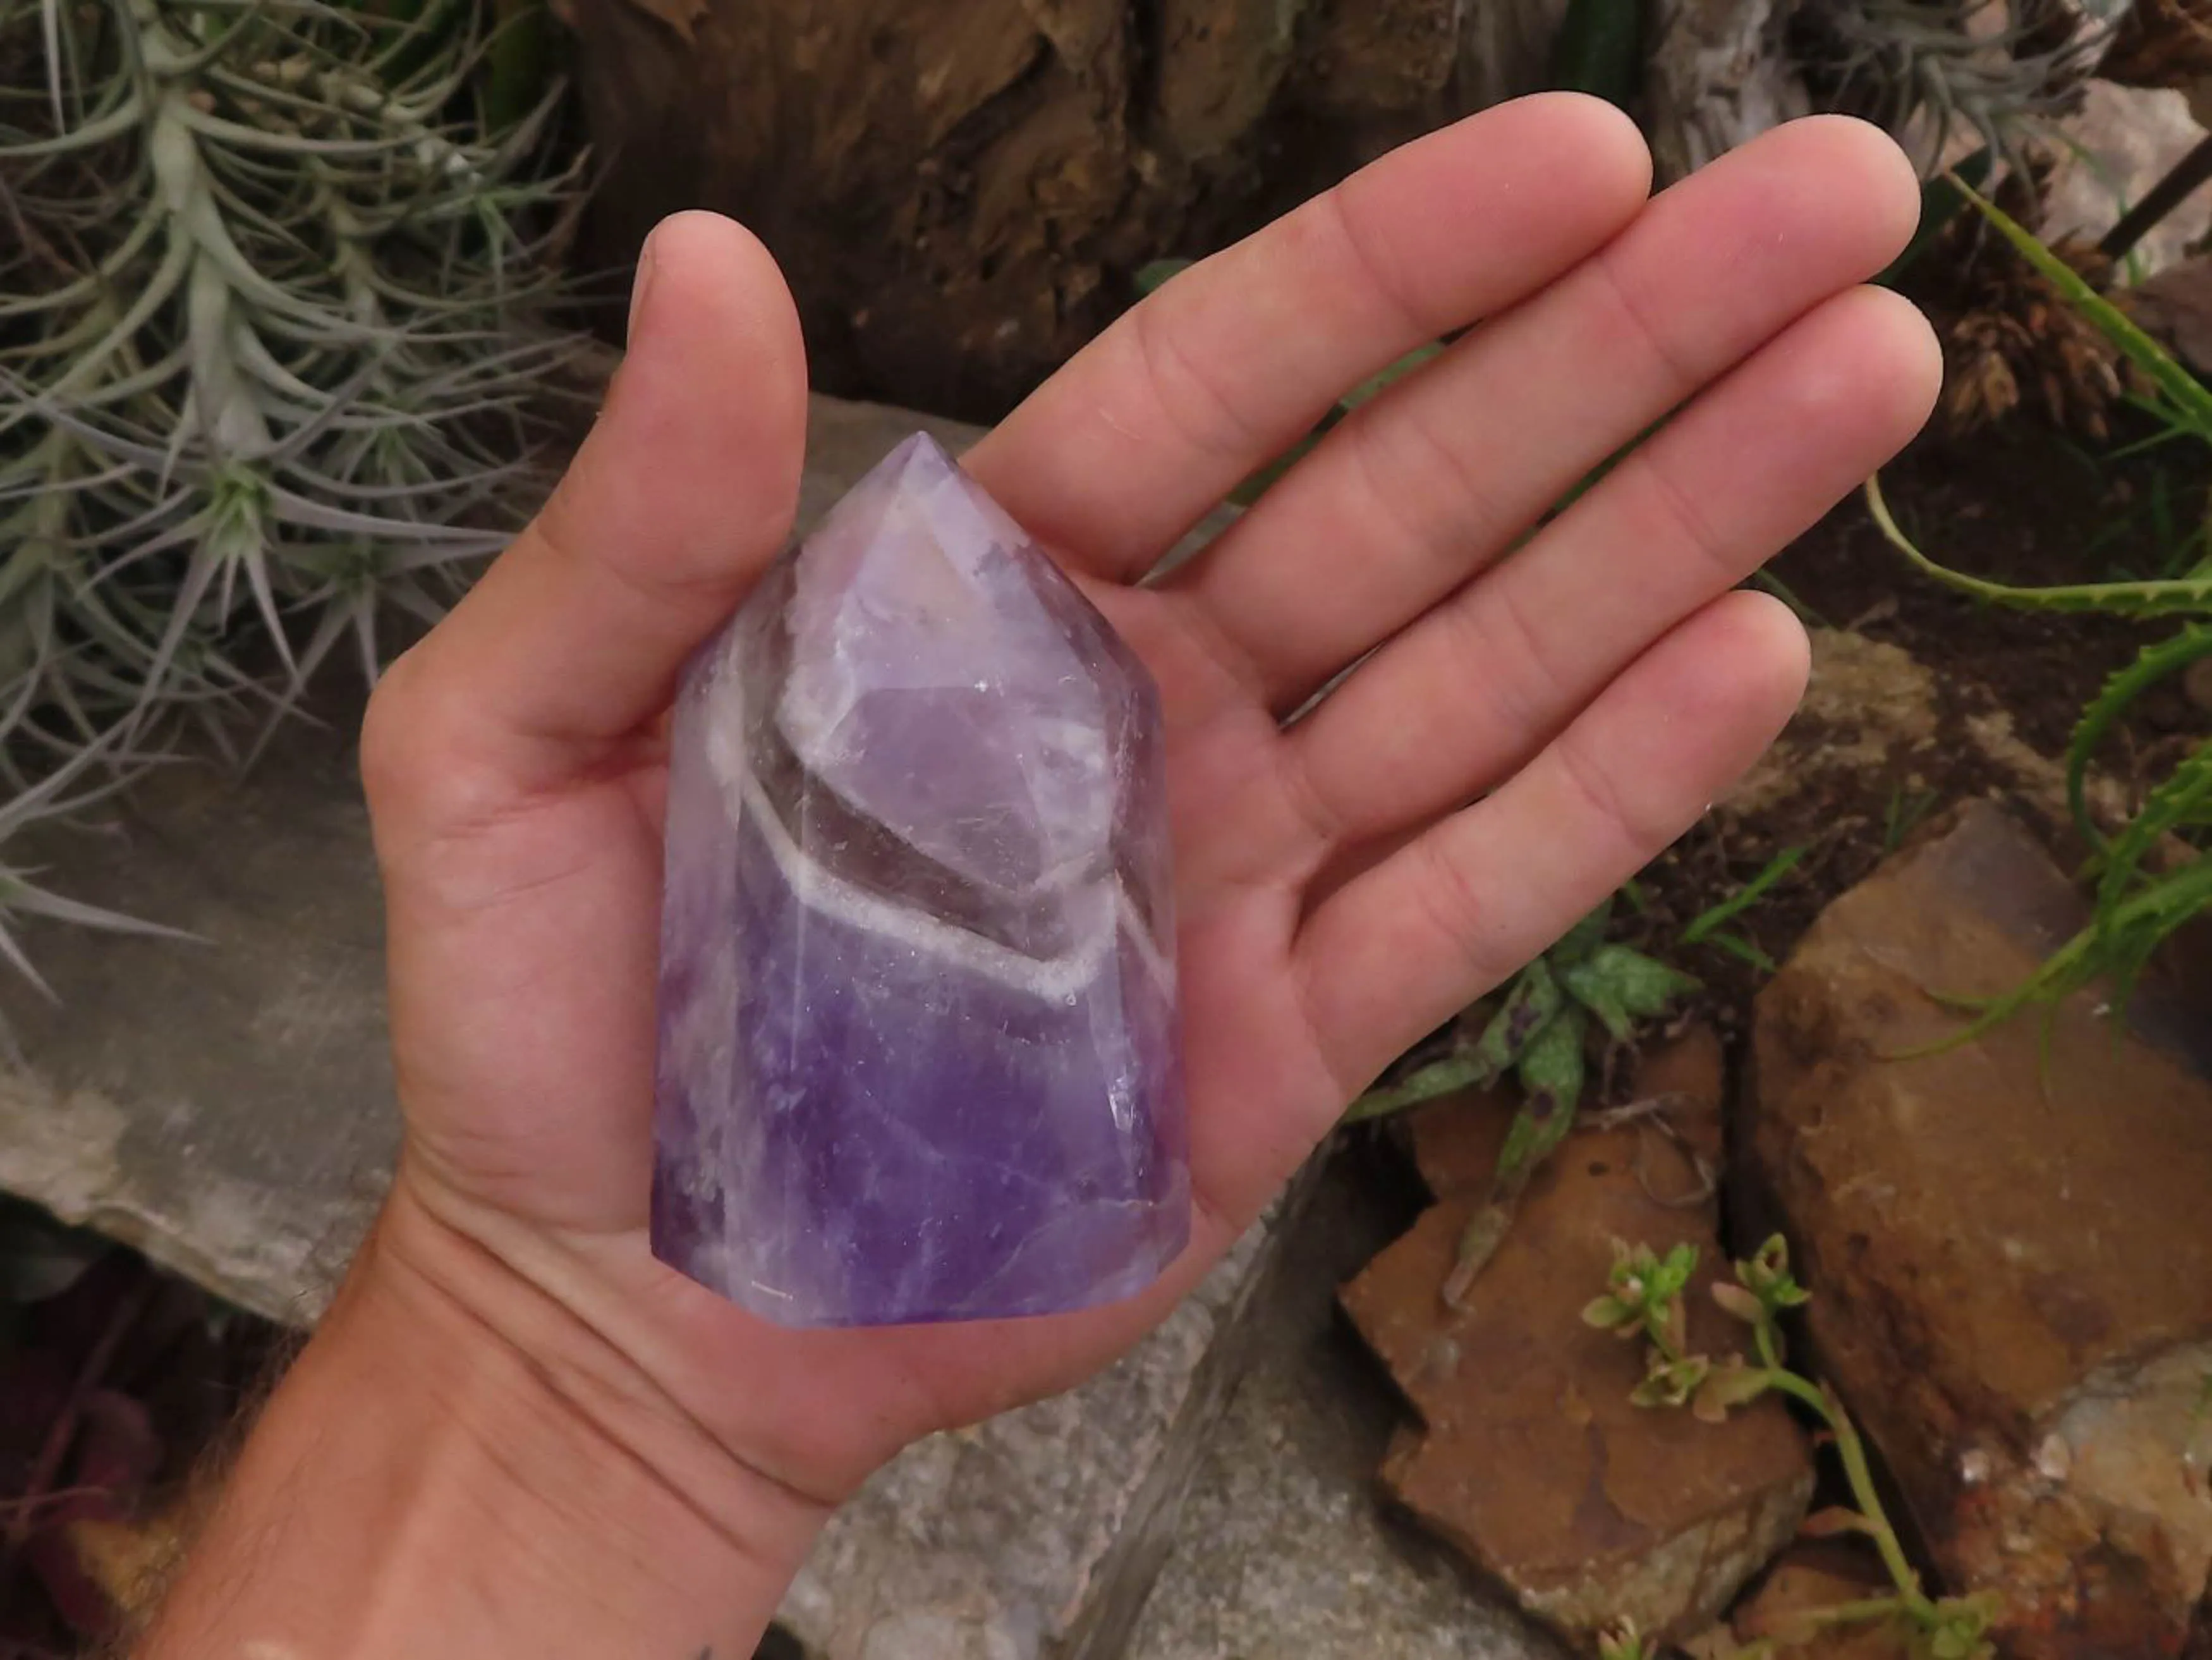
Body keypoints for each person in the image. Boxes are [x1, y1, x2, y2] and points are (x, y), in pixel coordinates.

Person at [129, 97, 1938, 1657]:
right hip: (813, 1218)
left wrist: (535, 1382)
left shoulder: (963, 701)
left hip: (897, 1206)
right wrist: (542, 1360)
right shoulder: (867, 708)